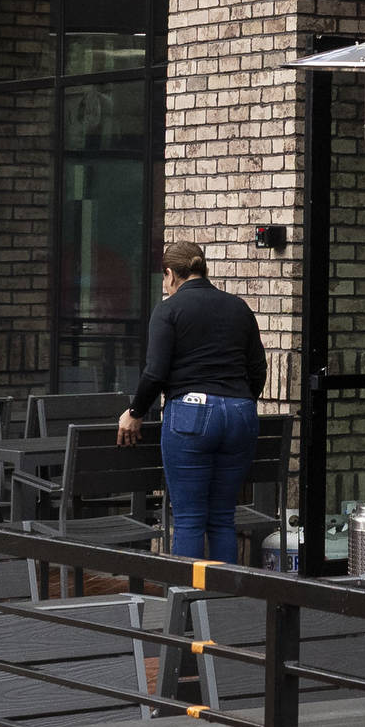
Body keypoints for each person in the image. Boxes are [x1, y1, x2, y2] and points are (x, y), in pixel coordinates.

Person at [120, 239, 268, 565]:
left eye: (164, 278)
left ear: (171, 275)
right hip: (240, 412)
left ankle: (188, 606)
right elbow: (258, 368)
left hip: (191, 414)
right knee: (221, 517)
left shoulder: (168, 310)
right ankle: (223, 601)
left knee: (189, 519)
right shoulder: (238, 307)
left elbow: (155, 372)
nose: (164, 284)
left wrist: (135, 411)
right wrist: (236, 402)